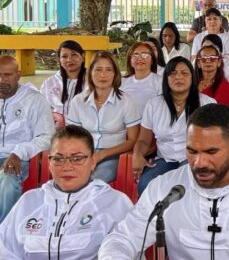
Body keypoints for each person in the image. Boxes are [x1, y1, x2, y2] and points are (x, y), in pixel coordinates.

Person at [99, 104, 229, 258]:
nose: (199, 163)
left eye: (211, 152)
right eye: (192, 151)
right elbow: (122, 238)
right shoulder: (166, 188)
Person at [0, 126, 131, 259]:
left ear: (92, 162)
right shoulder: (29, 202)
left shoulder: (114, 203)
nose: (67, 167)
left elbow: (126, 250)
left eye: (77, 159)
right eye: (58, 159)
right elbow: (6, 251)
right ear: (49, 163)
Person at [133, 57, 217, 195]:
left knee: (184, 186)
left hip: (195, 159)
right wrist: (137, 154)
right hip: (164, 159)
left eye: (184, 73)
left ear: (192, 78)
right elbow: (143, 140)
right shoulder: (154, 104)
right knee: (146, 184)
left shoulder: (207, 104)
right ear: (166, 78)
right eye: (173, 73)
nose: (178, 77)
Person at [66, 52, 140, 184]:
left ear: (115, 74)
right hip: (82, 153)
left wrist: (103, 154)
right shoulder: (78, 101)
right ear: (90, 73)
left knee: (94, 182)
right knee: (69, 179)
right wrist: (84, 156)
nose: (103, 75)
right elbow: (72, 135)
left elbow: (133, 140)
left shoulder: (126, 101)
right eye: (98, 70)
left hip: (112, 155)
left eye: (108, 70)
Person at [0, 56, 54, 223]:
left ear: (18, 74)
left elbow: (47, 136)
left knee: (7, 181)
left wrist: (19, 152)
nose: (1, 80)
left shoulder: (34, 100)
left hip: (18, 158)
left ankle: (3, 235)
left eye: (7, 75)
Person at [40, 40, 87, 125]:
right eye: (64, 56)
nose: (69, 60)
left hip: (85, 133)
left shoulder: (92, 82)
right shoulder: (49, 83)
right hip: (56, 133)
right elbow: (41, 110)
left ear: (83, 56)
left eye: (74, 55)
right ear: (59, 60)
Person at [120, 41, 163, 106]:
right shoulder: (122, 82)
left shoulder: (160, 82)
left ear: (152, 60)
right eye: (135, 55)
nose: (140, 58)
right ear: (130, 61)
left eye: (144, 54)